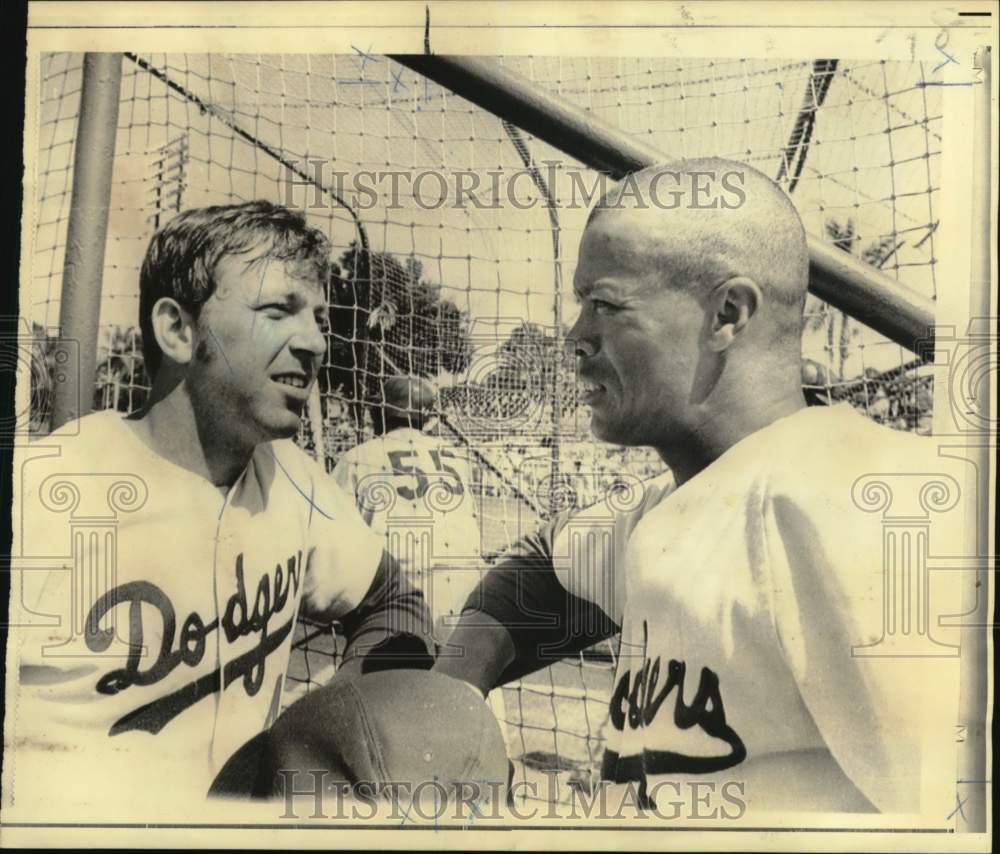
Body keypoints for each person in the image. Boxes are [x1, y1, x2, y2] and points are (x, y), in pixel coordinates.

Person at [432, 159, 964, 816]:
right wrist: (450, 695)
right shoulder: (679, 504)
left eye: (604, 304)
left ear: (727, 315)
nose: (575, 338)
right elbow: (543, 566)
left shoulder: (863, 502)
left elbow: (957, 816)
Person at [2, 202, 448, 817]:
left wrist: (339, 721)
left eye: (319, 317)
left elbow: (394, 600)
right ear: (179, 331)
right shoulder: (45, 493)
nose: (315, 341)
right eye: (277, 311)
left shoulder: (293, 477)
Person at [332, 376, 485, 645]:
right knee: (462, 676)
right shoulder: (455, 455)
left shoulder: (360, 455)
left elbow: (335, 536)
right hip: (465, 585)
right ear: (427, 419)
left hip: (402, 588)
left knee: (392, 680)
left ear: (379, 413)